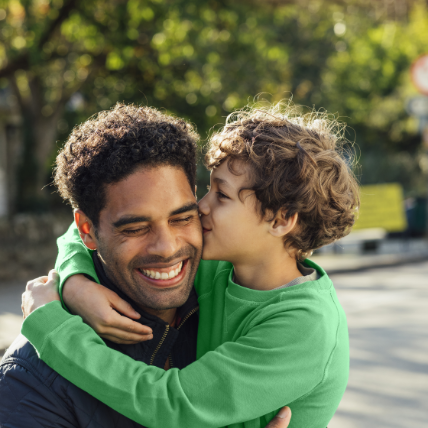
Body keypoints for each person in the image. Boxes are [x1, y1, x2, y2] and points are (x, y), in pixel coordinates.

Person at [19, 102, 359, 427]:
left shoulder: (305, 324)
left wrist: (53, 331)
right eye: (207, 189)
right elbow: (89, 229)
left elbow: (173, 404)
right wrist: (76, 281)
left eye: (221, 195)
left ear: (282, 219)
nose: (201, 206)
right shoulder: (222, 269)